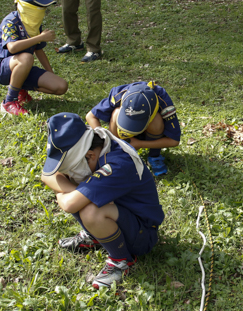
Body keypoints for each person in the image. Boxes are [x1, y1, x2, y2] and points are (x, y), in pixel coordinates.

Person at [41, 112, 164, 289]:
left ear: (90, 155)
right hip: (119, 211)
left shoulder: (116, 165)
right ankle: (97, 235)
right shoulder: (94, 141)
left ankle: (121, 260)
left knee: (90, 210)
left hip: (142, 235)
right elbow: (48, 176)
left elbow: (69, 203)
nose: (68, 174)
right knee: (83, 197)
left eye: (71, 169)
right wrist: (72, 189)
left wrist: (64, 190)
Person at [0, 0, 68, 116]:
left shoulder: (34, 24)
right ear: (27, 6)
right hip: (1, 67)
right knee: (26, 57)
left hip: (24, 67)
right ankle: (9, 102)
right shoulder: (11, 21)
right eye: (39, 7)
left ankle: (19, 89)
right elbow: (12, 47)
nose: (42, 11)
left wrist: (51, 73)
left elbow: (39, 50)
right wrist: (40, 37)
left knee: (61, 86)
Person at [86, 81, 181, 176]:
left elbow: (174, 141)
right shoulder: (119, 95)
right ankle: (116, 154)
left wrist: (140, 144)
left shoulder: (163, 102)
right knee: (116, 113)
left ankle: (154, 157)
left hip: (148, 133)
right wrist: (105, 139)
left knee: (157, 120)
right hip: (121, 134)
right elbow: (90, 116)